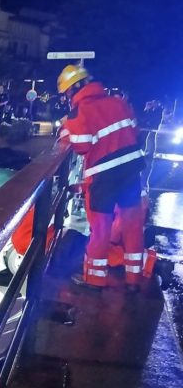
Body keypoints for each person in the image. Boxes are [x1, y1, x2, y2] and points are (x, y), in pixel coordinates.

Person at [57, 64, 145, 291]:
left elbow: (82, 146)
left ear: (72, 90)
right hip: (131, 172)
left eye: (66, 93)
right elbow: (134, 131)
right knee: (132, 225)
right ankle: (134, 280)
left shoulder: (79, 113)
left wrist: (66, 128)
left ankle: (95, 280)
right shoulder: (118, 102)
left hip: (103, 178)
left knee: (101, 229)